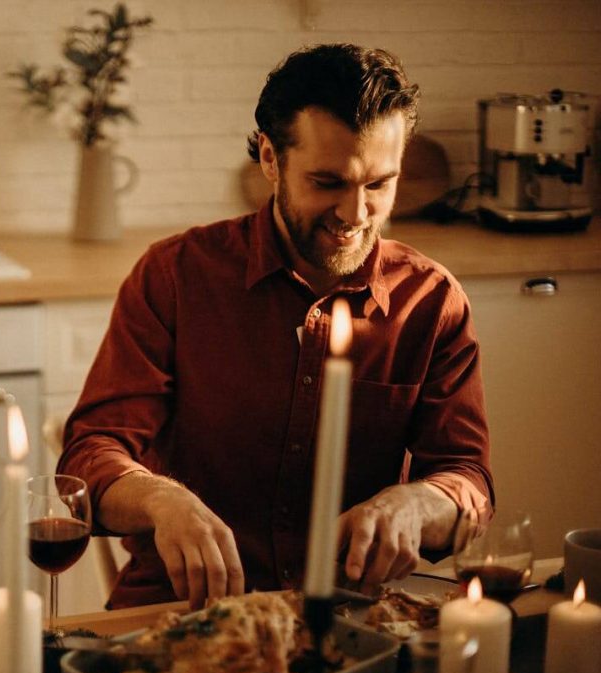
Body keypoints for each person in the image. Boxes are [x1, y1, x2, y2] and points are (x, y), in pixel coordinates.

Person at [57, 43, 494, 611]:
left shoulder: (431, 302)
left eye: (379, 185)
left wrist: (416, 503)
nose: (354, 214)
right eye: (328, 182)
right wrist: (161, 500)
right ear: (269, 158)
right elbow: (92, 453)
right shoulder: (175, 277)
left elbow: (469, 481)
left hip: (348, 619)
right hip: (185, 613)